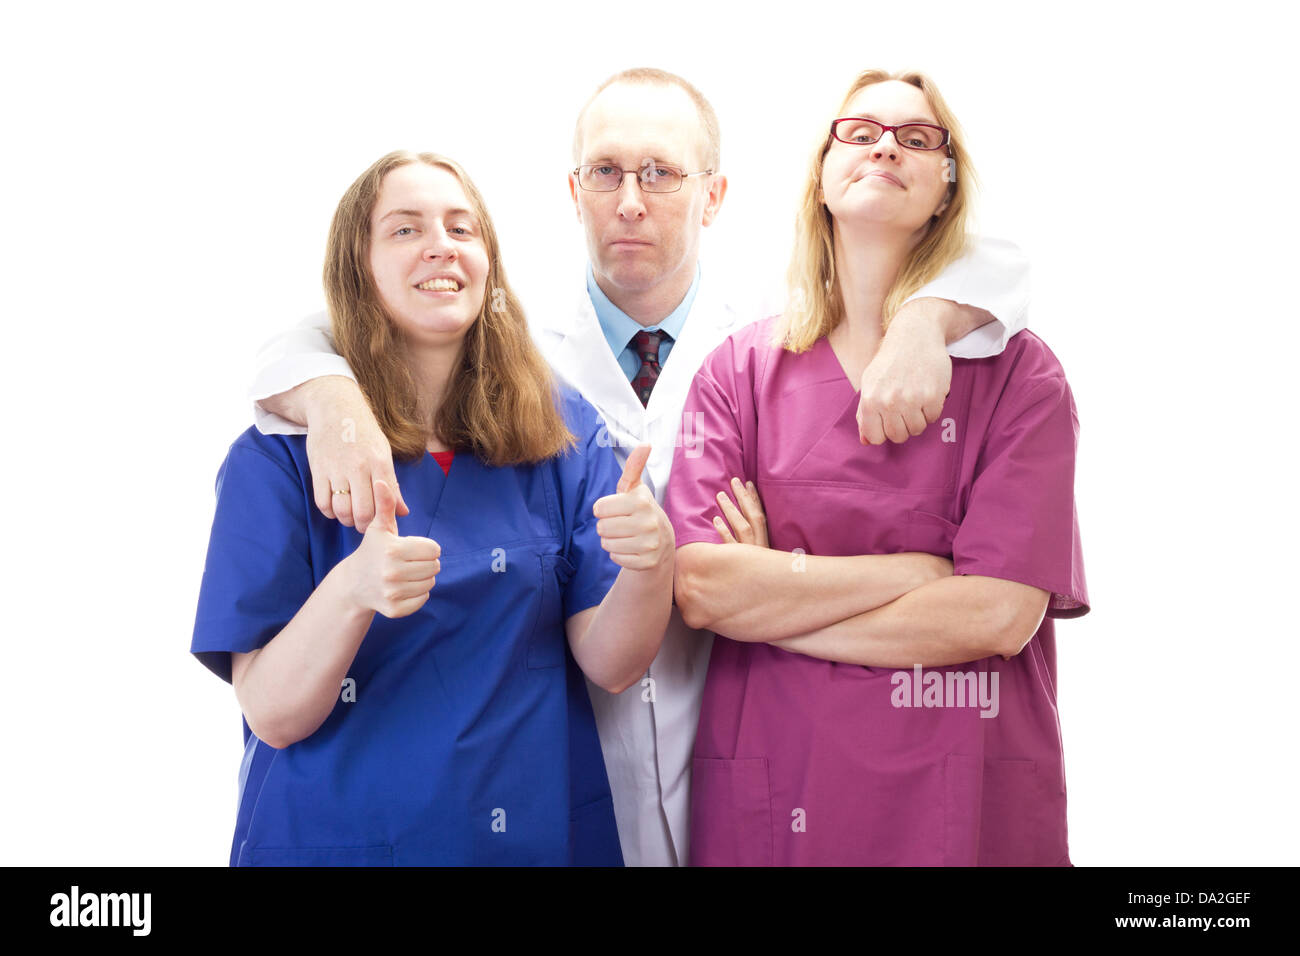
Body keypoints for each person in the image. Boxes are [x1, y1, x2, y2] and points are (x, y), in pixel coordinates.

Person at [244, 68, 1035, 866]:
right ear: (573, 188)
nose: (630, 200)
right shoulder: (508, 353)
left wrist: (925, 322)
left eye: (660, 173)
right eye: (606, 172)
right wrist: (329, 394)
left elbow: (997, 265)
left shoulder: (784, 327)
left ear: (714, 195)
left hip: (742, 749)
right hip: (563, 769)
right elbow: (351, 316)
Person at [191, 150, 675, 866]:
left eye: (462, 227)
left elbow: (611, 663)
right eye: (405, 230)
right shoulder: (280, 457)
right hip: (337, 842)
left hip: (533, 838)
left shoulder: (556, 431)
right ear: (359, 270)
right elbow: (272, 711)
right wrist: (354, 590)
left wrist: (649, 564)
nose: (441, 245)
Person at [666, 69, 1089, 865]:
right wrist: (922, 575)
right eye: (859, 132)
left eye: (917, 137)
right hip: (779, 783)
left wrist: (778, 595)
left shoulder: (1022, 380)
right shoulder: (739, 373)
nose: (886, 145)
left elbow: (996, 615)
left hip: (961, 792)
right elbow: (703, 587)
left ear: (945, 190)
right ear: (820, 178)